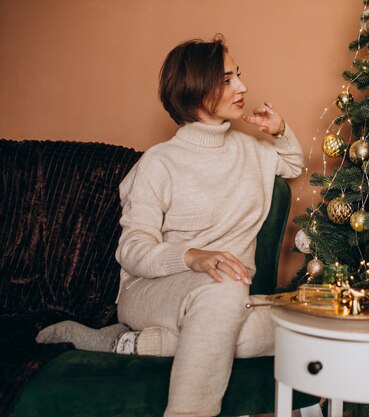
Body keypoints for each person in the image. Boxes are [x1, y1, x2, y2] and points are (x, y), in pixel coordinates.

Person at [36, 36, 305, 417]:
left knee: (304, 324)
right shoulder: (159, 164)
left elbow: (292, 164)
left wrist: (277, 131)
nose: (242, 87)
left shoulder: (251, 151)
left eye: (238, 76)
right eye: (227, 79)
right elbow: (132, 250)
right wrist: (191, 257)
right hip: (151, 290)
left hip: (223, 296)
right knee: (227, 291)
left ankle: (136, 344)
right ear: (196, 90)